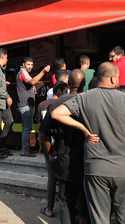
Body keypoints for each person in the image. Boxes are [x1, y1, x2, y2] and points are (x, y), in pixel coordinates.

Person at [51, 62, 125, 224]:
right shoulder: (123, 98)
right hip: (122, 169)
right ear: (113, 78)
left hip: (96, 169)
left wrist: (83, 128)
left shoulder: (84, 97)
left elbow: (57, 113)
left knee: (99, 218)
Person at [40, 69, 89, 224]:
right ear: (84, 84)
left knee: (67, 204)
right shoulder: (90, 103)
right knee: (85, 203)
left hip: (65, 161)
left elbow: (43, 134)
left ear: (68, 84)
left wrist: (50, 153)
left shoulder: (56, 105)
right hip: (87, 162)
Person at [36, 81, 68, 219]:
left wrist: (42, 145)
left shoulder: (42, 105)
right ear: (60, 91)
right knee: (63, 177)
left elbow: (40, 129)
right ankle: (65, 208)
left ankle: (49, 208)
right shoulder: (64, 104)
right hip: (62, 145)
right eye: (65, 91)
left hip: (48, 144)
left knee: (51, 177)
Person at [16, 57, 50, 157]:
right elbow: (32, 82)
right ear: (24, 64)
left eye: (31, 65)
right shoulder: (23, 73)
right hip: (25, 105)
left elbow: (32, 85)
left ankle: (25, 149)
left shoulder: (25, 73)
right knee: (27, 128)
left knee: (27, 128)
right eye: (28, 64)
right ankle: (24, 150)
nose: (30, 66)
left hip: (27, 104)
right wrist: (43, 72)